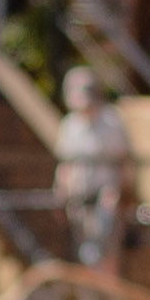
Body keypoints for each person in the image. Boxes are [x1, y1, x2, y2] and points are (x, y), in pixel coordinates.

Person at [54, 64, 129, 273]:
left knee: (106, 249)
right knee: (85, 251)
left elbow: (123, 161)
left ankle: (106, 288)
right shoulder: (70, 125)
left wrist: (121, 193)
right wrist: (60, 194)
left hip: (106, 197)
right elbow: (65, 164)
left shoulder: (111, 121)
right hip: (79, 197)